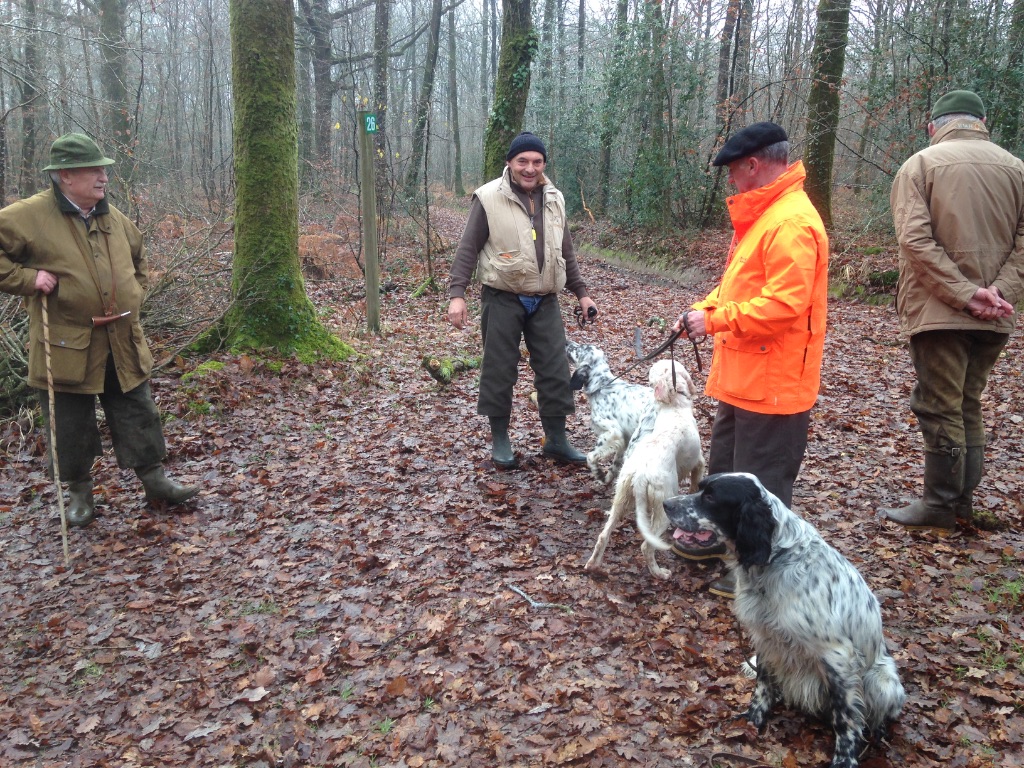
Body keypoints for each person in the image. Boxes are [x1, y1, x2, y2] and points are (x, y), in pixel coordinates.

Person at [0, 133, 199, 528]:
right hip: (66, 342)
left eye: (104, 169)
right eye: (94, 170)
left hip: (122, 339)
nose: (104, 177)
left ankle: (156, 482)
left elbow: (139, 259)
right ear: (65, 176)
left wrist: (134, 296)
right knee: (69, 422)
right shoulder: (29, 216)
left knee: (137, 408)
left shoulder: (113, 215)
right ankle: (79, 494)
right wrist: (27, 278)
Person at [671, 122, 830, 598]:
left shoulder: (790, 223)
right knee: (724, 473)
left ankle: (762, 577)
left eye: (733, 172)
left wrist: (717, 321)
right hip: (743, 376)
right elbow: (740, 288)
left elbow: (784, 305)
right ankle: (719, 543)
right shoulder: (763, 217)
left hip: (775, 384)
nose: (731, 182)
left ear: (753, 165)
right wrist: (704, 310)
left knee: (762, 490)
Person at [882, 90, 1023, 533]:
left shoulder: (919, 166)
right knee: (967, 404)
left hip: (939, 311)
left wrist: (965, 295)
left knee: (941, 406)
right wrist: (999, 291)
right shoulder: (1017, 168)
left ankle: (940, 507)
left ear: (933, 126)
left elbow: (914, 242)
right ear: (983, 121)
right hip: (996, 312)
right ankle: (960, 502)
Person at [447, 131, 598, 469]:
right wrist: (457, 295)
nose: (530, 168)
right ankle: (500, 440)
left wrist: (582, 293)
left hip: (545, 299)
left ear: (543, 163)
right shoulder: (488, 198)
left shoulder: (555, 198)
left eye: (537, 161)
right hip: (502, 297)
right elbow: (467, 249)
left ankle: (557, 440)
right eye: (523, 161)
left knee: (556, 370)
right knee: (499, 369)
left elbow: (566, 251)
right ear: (510, 163)